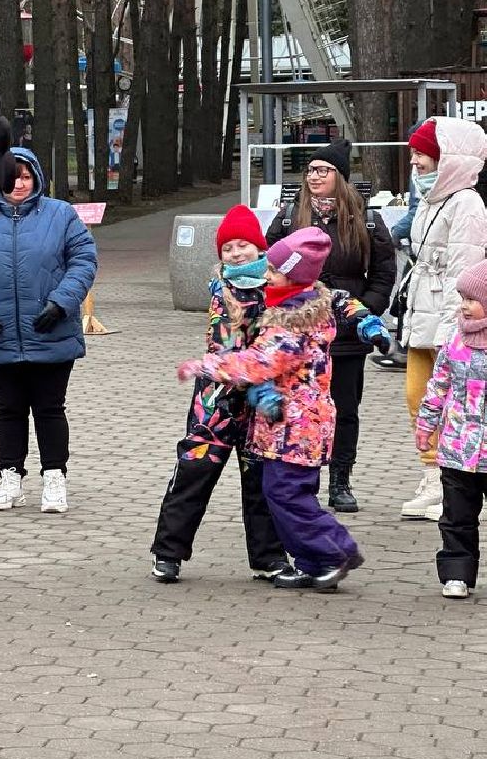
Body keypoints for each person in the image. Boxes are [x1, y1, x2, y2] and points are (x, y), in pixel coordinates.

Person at [178, 228, 364, 591]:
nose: (266, 276)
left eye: (274, 272)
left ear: (293, 277)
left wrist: (205, 366)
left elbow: (257, 362)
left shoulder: (292, 323)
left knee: (285, 495)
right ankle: (312, 563)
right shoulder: (301, 310)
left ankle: (335, 550)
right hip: (291, 426)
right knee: (290, 494)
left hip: (295, 429)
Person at [0, 147, 97, 513]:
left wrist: (62, 301)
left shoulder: (60, 215)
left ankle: (55, 477)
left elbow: (84, 259)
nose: (19, 184)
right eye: (12, 176)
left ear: (36, 178)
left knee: (49, 408)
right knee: (8, 408)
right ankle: (10, 477)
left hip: (51, 330)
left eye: (26, 176)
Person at [150, 206, 290, 584]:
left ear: (260, 249)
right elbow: (223, 347)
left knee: (262, 478)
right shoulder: (222, 290)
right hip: (217, 398)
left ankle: (269, 557)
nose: (236, 253)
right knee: (195, 470)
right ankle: (168, 553)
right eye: (228, 248)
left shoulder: (280, 288)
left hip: (264, 399)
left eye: (243, 245)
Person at [266, 139, 395, 513]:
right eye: (310, 171)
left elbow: (384, 272)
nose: (314, 177)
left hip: (346, 331)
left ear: (341, 177)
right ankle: (303, 479)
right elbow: (269, 264)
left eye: (323, 170)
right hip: (299, 329)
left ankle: (341, 479)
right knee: (301, 406)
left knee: (345, 408)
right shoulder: (291, 216)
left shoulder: (366, 219)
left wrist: (364, 310)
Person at [398, 117, 487, 521]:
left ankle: (448, 481)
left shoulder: (466, 203)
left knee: (450, 401)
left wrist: (456, 330)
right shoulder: (433, 197)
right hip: (423, 313)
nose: (414, 161)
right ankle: (432, 473)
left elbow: (463, 270)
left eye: (421, 153)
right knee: (419, 394)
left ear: (444, 157)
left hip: (446, 318)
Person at [416, 259, 487, 599]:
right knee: (457, 517)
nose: (464, 305)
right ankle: (456, 572)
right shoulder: (455, 341)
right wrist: (426, 424)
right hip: (457, 449)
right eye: (462, 297)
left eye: (472, 299)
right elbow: (438, 386)